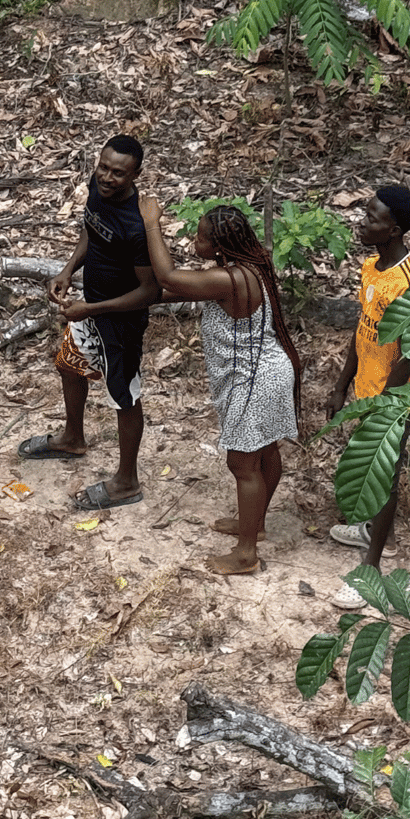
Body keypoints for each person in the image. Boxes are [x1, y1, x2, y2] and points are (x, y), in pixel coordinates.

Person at [137, 198, 302, 575]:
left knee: (243, 464)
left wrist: (151, 223)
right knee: (264, 454)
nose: (195, 243)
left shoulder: (229, 279)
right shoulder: (245, 269)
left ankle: (246, 555)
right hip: (266, 375)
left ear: (219, 247)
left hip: (256, 381)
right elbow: (171, 289)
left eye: (199, 238)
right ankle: (255, 524)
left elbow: (169, 279)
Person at [16, 135, 161, 510]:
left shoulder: (137, 225)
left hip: (120, 323)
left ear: (135, 175)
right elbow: (91, 230)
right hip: (90, 306)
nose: (108, 177)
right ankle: (72, 438)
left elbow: (149, 292)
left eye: (118, 173)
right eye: (103, 167)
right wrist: (68, 269)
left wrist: (91, 309)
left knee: (124, 396)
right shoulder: (99, 192)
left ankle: (127, 481)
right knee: (68, 365)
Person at [329, 187, 410, 584]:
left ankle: (371, 567)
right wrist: (342, 384)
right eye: (365, 213)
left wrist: (387, 407)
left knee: (385, 471)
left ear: (394, 230)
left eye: (373, 218)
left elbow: (409, 352)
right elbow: (363, 328)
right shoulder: (372, 268)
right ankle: (370, 528)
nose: (362, 221)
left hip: (395, 397)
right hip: (368, 388)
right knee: (373, 468)